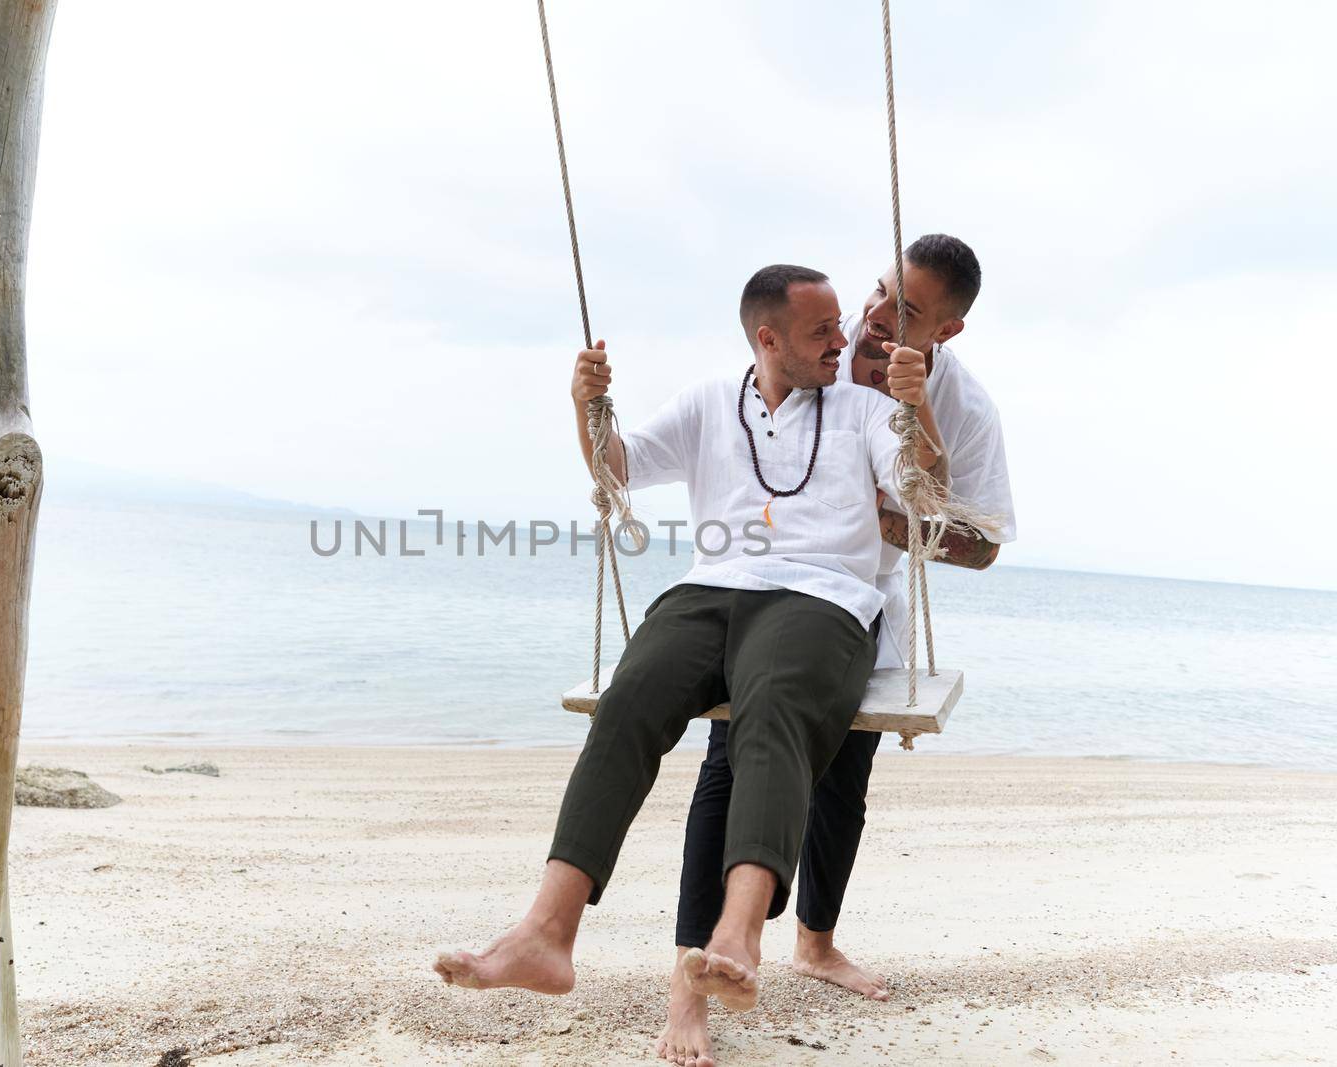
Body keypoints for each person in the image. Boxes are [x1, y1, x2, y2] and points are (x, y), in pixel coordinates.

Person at [433, 264, 946, 1014]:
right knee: (630, 695)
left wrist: (917, 406)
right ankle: (546, 931)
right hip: (712, 589)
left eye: (839, 324)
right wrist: (588, 408)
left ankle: (737, 936)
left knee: (772, 714)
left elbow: (925, 484)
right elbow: (617, 469)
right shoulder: (710, 402)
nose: (843, 340)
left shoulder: (863, 411)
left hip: (822, 597)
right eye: (821, 330)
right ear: (768, 339)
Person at [657, 235, 1017, 1067]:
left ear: (948, 333)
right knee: (730, 762)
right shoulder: (817, 351)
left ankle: (814, 942)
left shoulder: (964, 407)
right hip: (765, 592)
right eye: (882, 292)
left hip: (866, 604)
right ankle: (691, 972)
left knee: (843, 782)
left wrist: (873, 517)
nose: (879, 318)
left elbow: (985, 543)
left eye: (911, 313)